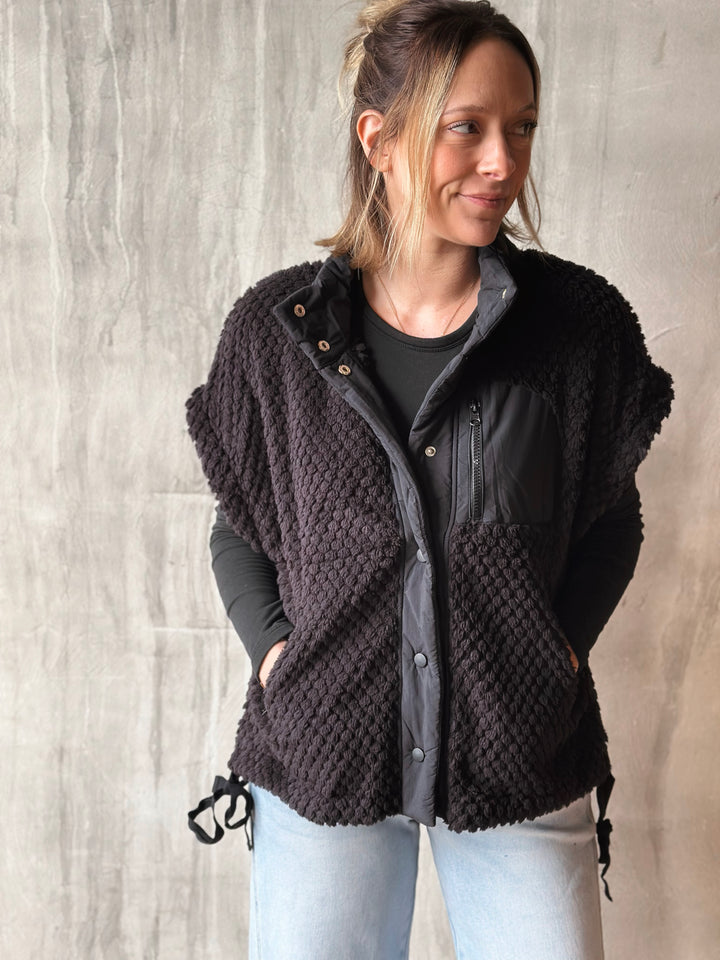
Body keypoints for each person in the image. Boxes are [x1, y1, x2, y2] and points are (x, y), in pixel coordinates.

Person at [186, 1, 673, 957]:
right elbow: (242, 523)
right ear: (379, 140)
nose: (502, 161)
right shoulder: (277, 335)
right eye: (468, 127)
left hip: (520, 754)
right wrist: (278, 656)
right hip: (324, 756)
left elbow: (610, 518)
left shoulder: (578, 330)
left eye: (521, 128)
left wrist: (560, 653)